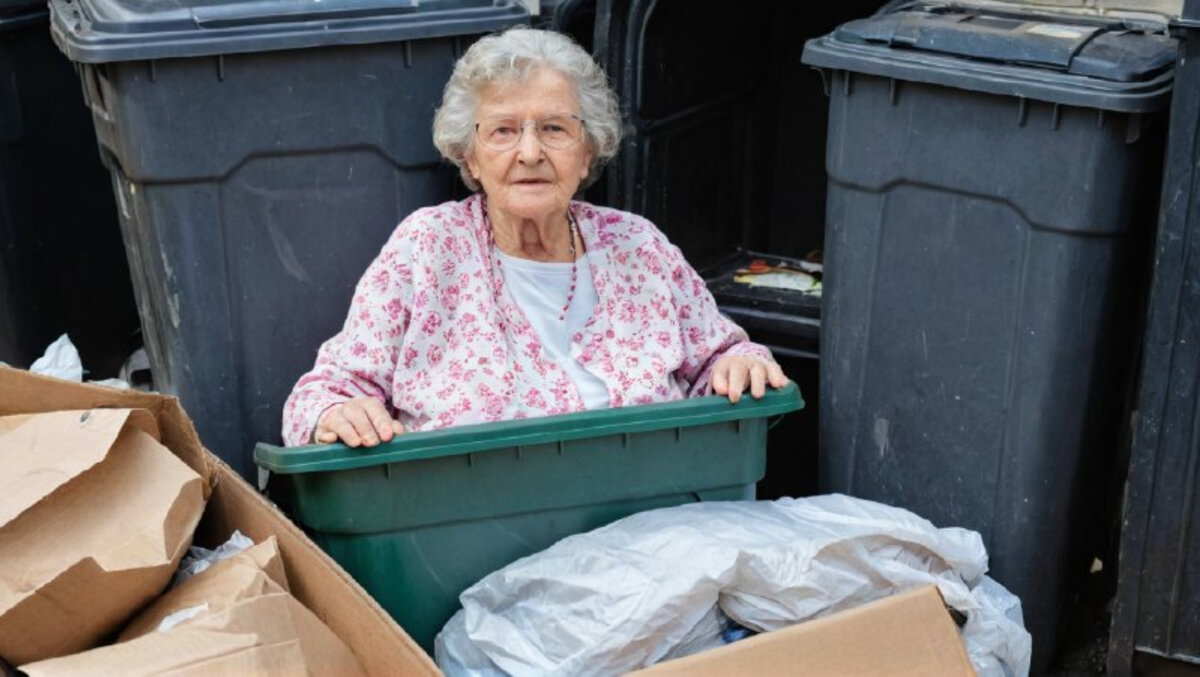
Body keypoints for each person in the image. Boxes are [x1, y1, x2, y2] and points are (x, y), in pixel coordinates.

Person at [282, 27, 787, 449]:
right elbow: (322, 394)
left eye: (554, 129)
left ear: (587, 151)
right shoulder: (429, 248)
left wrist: (742, 363)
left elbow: (720, 359)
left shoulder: (637, 246)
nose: (529, 153)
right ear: (470, 157)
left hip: (655, 516)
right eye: (503, 131)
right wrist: (339, 413)